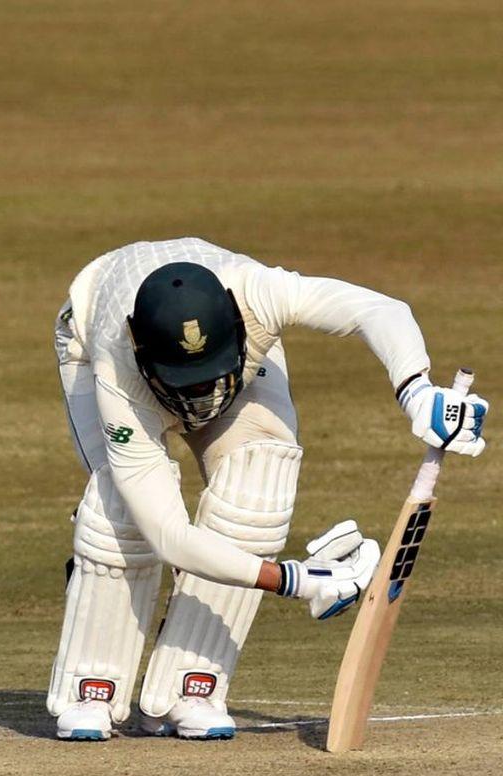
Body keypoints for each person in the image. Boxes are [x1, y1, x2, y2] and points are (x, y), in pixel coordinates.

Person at [49, 237, 488, 741]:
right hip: (87, 336)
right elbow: (169, 535)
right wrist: (292, 580)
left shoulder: (260, 294)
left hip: (241, 358)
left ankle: (193, 685)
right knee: (120, 515)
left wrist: (418, 391)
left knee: (257, 484)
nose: (200, 396)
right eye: (185, 381)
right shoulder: (116, 365)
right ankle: (92, 684)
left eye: (206, 376)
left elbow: (378, 309)